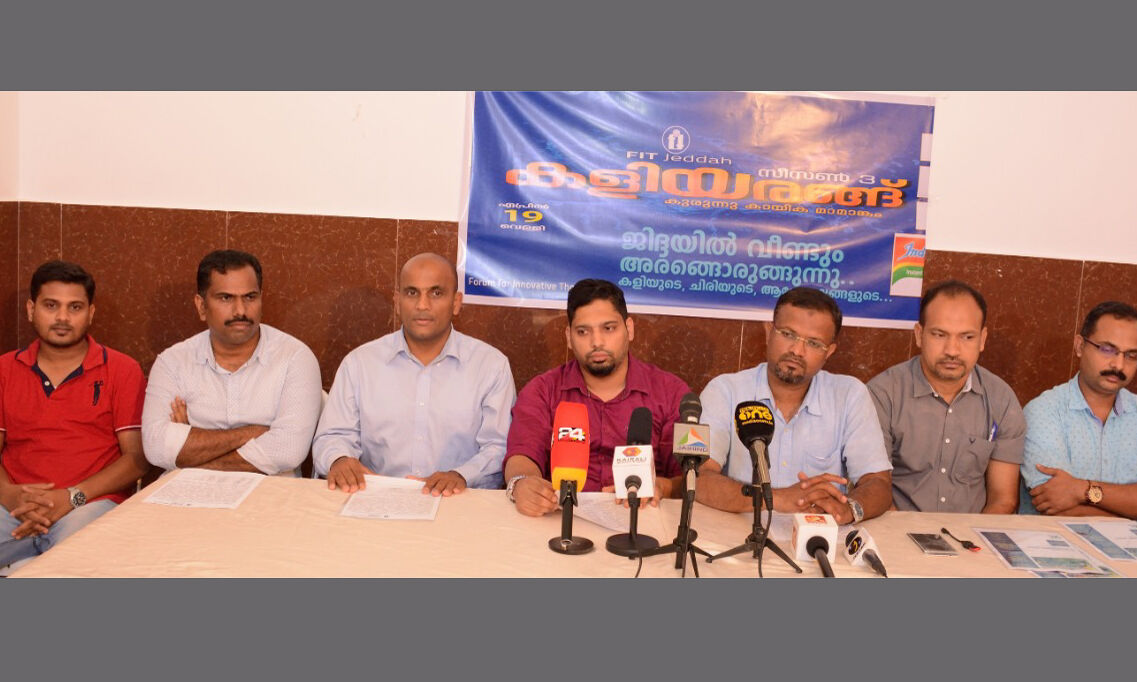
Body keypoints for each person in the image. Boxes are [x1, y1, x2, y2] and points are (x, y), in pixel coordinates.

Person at [313, 253, 515, 495]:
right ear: (397, 301)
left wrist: (461, 475)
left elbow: (499, 447)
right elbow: (332, 436)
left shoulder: (490, 366)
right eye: (412, 293)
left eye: (436, 293)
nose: (422, 305)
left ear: (456, 302)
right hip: (374, 497)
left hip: (458, 501)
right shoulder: (360, 363)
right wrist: (339, 459)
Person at [697, 287, 892, 523]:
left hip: (820, 536)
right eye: (788, 334)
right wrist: (777, 499)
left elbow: (878, 483)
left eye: (814, 343)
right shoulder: (725, 391)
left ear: (829, 352)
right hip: (739, 535)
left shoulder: (849, 395)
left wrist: (848, 509)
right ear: (768, 331)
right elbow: (698, 480)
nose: (797, 351)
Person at [0, 261, 149, 569]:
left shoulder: (121, 370)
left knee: (73, 565)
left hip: (88, 506)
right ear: (31, 309)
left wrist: (72, 497)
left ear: (91, 313)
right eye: (51, 305)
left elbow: (136, 459)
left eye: (75, 307)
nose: (63, 318)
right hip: (14, 508)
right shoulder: (4, 369)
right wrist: (11, 496)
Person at [504, 279, 690, 516]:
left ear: (629, 329)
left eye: (608, 328)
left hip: (643, 518)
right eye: (583, 332)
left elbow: (689, 476)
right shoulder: (542, 391)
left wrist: (661, 487)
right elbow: (522, 455)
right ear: (569, 337)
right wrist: (522, 483)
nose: (597, 342)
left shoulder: (671, 393)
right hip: (561, 518)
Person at [142, 250, 322, 475]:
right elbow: (156, 448)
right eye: (226, 298)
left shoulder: (294, 358)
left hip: (270, 492)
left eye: (250, 297)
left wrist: (190, 447)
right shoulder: (173, 363)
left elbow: (288, 451)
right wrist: (252, 433)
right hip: (187, 491)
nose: (240, 311)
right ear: (201, 306)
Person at [867, 280, 1025, 513]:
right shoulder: (883, 395)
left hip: (972, 533)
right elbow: (872, 488)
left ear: (982, 340)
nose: (952, 350)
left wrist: (972, 537)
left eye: (967, 337)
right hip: (897, 529)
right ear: (919, 335)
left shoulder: (1001, 399)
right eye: (940, 335)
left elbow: (1003, 500)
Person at [1021, 301, 1137, 518]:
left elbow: (1071, 500)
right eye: (1107, 349)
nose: (1119, 365)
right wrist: (1128, 513)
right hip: (1055, 538)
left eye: (1131, 355)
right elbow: (1053, 504)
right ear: (1080, 346)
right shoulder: (1045, 412)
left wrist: (1082, 489)